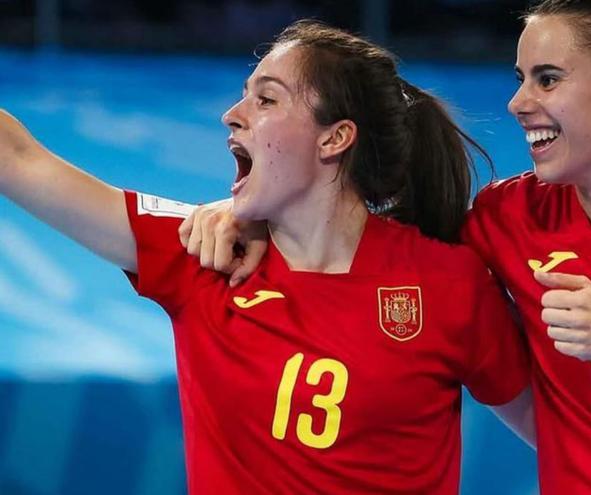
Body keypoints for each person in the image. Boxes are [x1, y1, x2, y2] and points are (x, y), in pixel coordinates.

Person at [183, 1, 591, 493]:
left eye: (547, 80)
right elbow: (359, 233)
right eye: (521, 78)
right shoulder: (508, 219)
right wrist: (245, 210)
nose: (518, 103)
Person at [0, 21, 535, 494]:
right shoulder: (201, 252)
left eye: (266, 99)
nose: (230, 115)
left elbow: (557, 429)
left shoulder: (448, 283)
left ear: (335, 138)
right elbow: (18, 158)